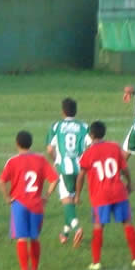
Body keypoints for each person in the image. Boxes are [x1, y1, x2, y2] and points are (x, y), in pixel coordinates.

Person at [76, 120, 135, 270]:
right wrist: (129, 183)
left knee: (98, 226)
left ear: (91, 135)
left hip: (100, 196)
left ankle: (96, 262)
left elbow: (81, 176)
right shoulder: (114, 147)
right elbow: (125, 169)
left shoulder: (88, 153)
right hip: (119, 192)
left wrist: (77, 194)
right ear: (104, 133)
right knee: (127, 223)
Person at [0, 130, 59, 270]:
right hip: (36, 204)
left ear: (17, 144)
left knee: (21, 239)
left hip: (19, 204)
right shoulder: (40, 160)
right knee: (34, 238)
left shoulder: (12, 161)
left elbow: (1, 181)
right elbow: (54, 179)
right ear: (31, 143)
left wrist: (7, 198)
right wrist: (46, 196)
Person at [45, 97, 90, 247]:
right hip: (80, 169)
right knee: (70, 201)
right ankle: (64, 233)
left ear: (62, 111)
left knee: (66, 202)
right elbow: (91, 145)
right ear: (75, 111)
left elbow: (50, 149)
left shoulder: (56, 126)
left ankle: (77, 229)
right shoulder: (84, 126)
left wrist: (55, 160)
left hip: (64, 168)